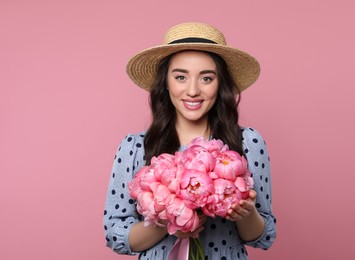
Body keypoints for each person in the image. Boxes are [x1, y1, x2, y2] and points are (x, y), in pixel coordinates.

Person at [103, 22, 276, 259]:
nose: (193, 90)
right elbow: (115, 235)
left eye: (206, 78)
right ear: (165, 82)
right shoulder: (134, 147)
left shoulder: (248, 142)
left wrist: (246, 214)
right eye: (181, 77)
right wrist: (171, 221)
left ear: (220, 84)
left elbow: (264, 237)